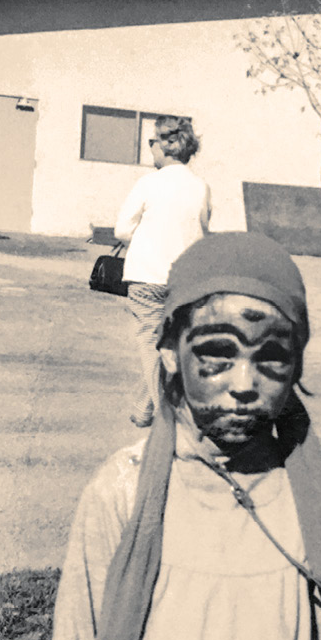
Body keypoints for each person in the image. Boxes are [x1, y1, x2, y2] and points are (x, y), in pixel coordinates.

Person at [20, 233, 321, 640]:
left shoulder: (318, 497)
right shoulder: (122, 492)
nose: (245, 382)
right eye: (217, 354)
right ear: (173, 352)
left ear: (297, 363)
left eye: (271, 357)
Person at [114, 115, 212, 428]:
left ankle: (166, 421)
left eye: (151, 143)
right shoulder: (200, 187)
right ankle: (143, 409)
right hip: (185, 282)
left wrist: (149, 236)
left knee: (150, 347)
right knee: (166, 344)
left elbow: (122, 230)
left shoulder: (148, 183)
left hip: (146, 278)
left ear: (165, 146)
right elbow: (204, 231)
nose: (150, 149)